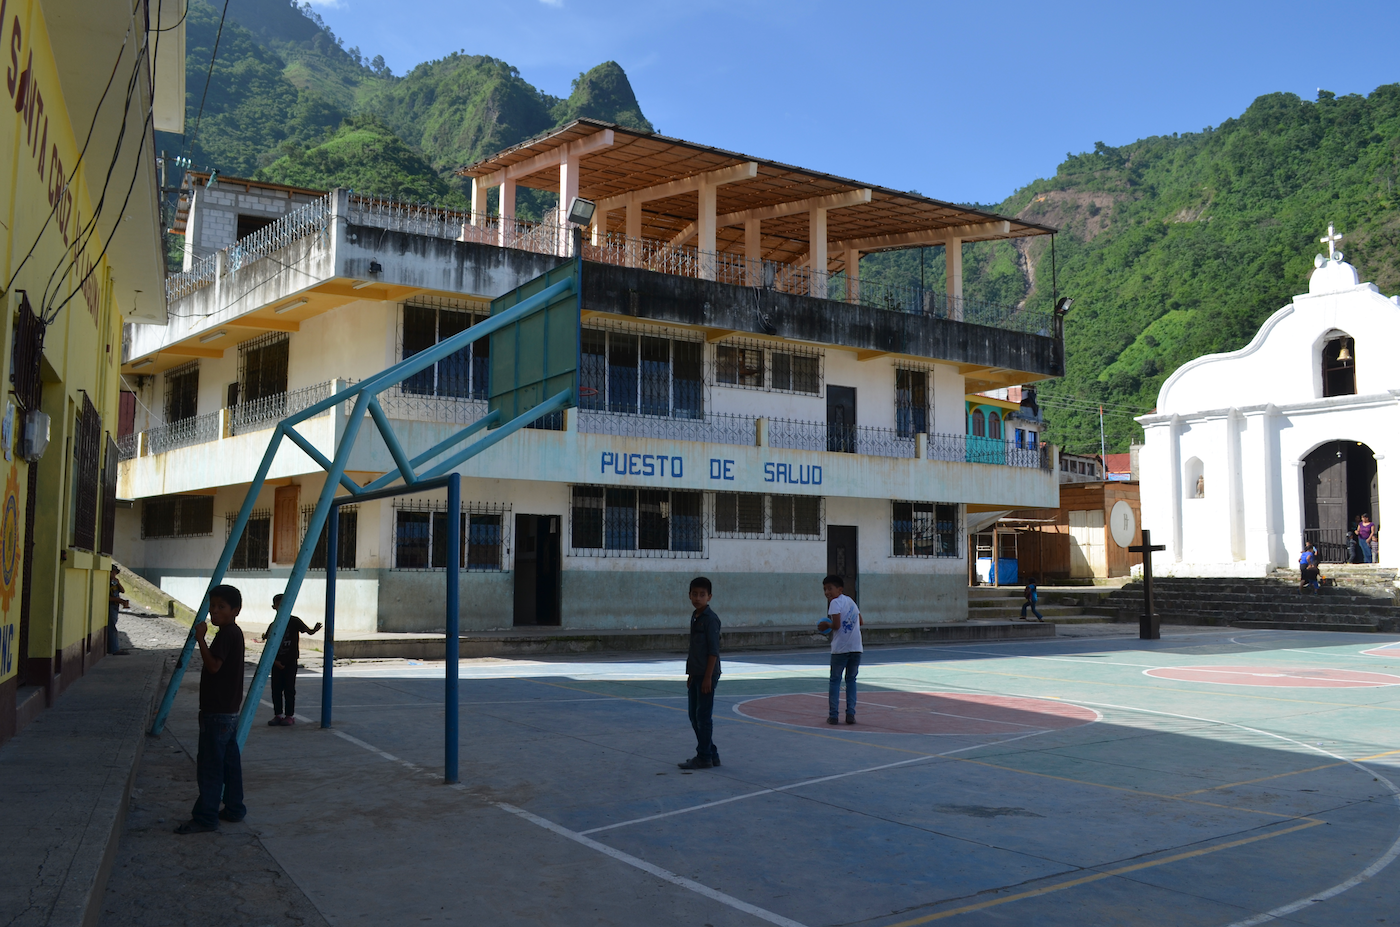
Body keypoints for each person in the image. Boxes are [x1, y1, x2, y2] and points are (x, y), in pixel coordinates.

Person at [176, 584, 247, 834]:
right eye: (212, 606)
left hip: (217, 712)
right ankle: (234, 808)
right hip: (228, 711)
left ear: (235, 610)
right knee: (229, 762)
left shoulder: (227, 634)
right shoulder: (234, 633)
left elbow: (214, 666)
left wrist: (200, 640)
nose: (214, 612)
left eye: (221, 607)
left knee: (210, 765)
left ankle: (206, 816)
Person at [679, 577, 721, 770]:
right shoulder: (695, 616)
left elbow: (713, 651)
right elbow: (694, 649)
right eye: (694, 594)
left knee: (703, 717)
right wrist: (691, 674)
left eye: (702, 594)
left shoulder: (711, 620)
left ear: (709, 597)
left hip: (707, 675)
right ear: (689, 595)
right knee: (694, 716)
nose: (698, 597)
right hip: (696, 674)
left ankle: (704, 756)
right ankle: (711, 753)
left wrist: (707, 678)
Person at [261, 594, 322, 726]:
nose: (282, 607)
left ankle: (289, 716)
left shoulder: (294, 621)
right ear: (274, 607)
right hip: (276, 663)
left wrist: (314, 629)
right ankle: (278, 714)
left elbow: (308, 631)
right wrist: (274, 661)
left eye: (285, 604)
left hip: (290, 662)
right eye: (279, 604)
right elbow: (267, 643)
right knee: (276, 690)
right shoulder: (273, 625)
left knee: (289, 689)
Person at [823, 574, 862, 725]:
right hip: (856, 647)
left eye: (830, 588)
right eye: (825, 589)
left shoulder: (834, 603)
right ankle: (850, 714)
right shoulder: (851, 601)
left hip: (841, 649)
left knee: (835, 681)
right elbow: (861, 621)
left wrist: (827, 625)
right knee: (851, 680)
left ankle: (833, 716)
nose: (827, 592)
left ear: (840, 589)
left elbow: (837, 625)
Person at [108, 566, 129, 655]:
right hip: (110, 606)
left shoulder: (114, 583)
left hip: (115, 607)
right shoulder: (106, 583)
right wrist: (120, 601)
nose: (114, 575)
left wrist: (118, 583)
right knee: (111, 628)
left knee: (113, 626)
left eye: (115, 573)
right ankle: (114, 649)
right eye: (112, 573)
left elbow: (123, 591)